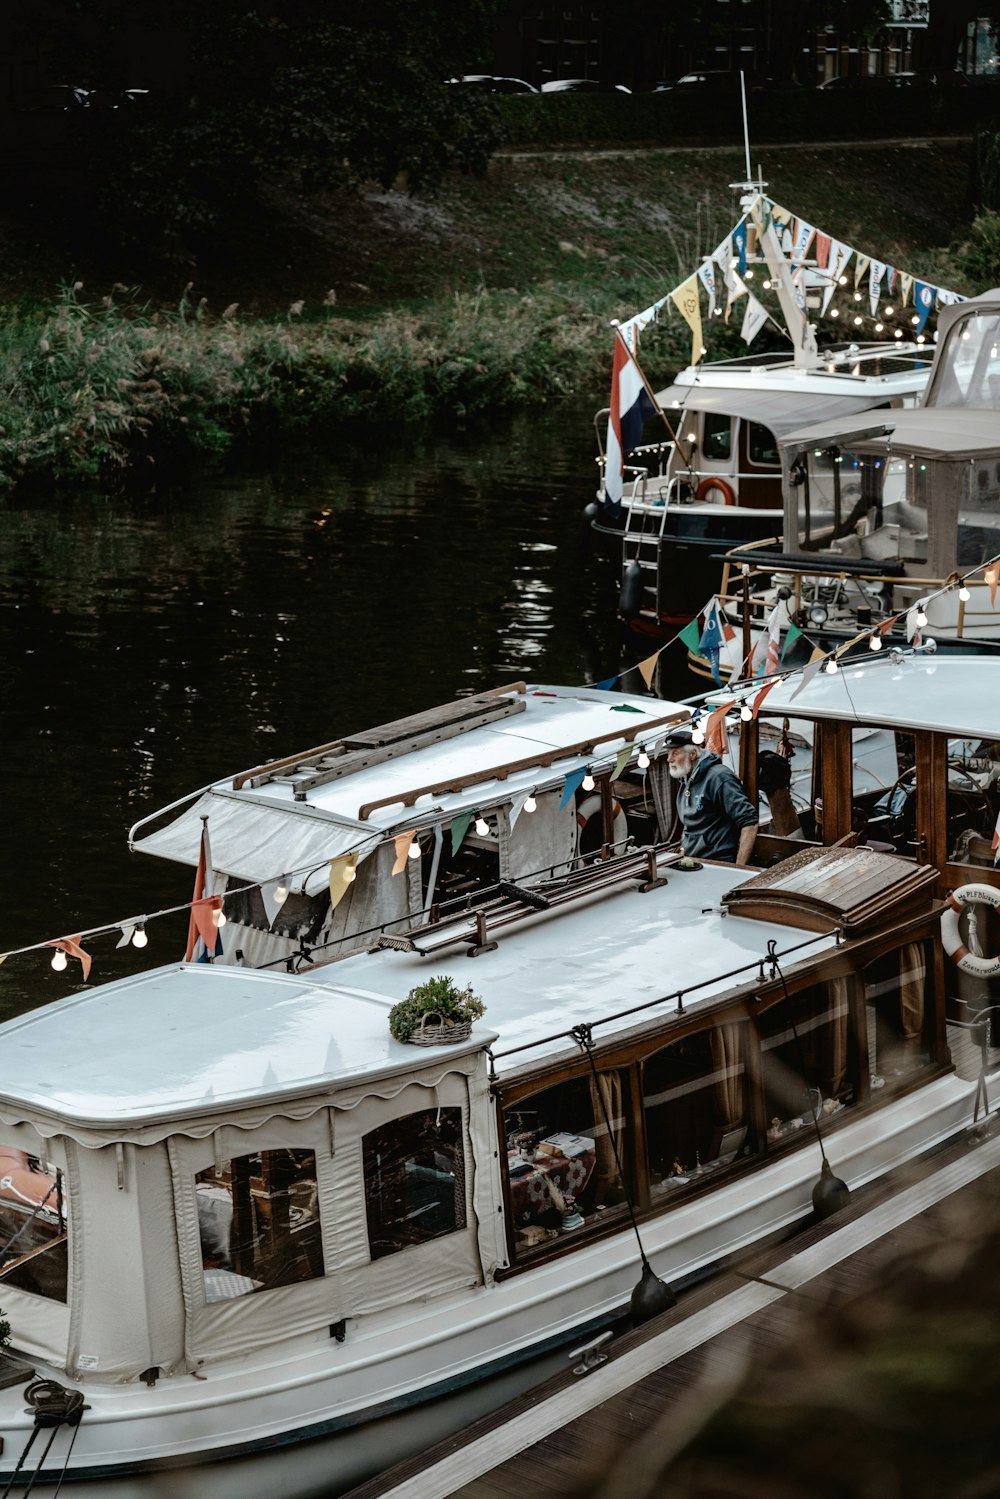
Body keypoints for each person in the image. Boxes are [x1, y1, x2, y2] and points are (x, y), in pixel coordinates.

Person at [664, 726, 758, 865]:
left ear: (692, 755)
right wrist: (683, 849)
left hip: (718, 862)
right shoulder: (685, 779)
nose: (669, 759)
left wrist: (738, 868)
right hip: (692, 860)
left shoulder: (719, 778)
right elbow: (689, 825)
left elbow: (750, 822)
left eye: (675, 753)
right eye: (669, 753)